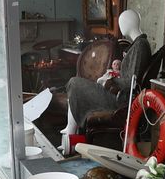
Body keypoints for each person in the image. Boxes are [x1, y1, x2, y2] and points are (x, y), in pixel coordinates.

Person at [60, 10, 151, 152]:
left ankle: (71, 133)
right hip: (118, 92)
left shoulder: (140, 47)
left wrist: (110, 81)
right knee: (77, 84)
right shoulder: (138, 45)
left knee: (74, 83)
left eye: (121, 22)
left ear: (128, 24)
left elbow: (131, 83)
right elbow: (131, 76)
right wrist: (114, 74)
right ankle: (71, 132)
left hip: (120, 99)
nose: (120, 26)